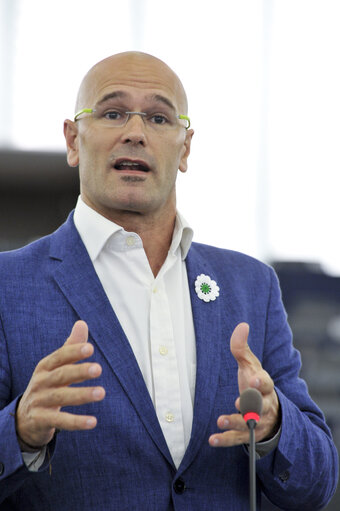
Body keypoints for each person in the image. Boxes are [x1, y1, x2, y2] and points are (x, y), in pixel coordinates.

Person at [0, 51, 337, 510]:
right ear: (73, 139)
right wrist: (18, 430)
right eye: (113, 112)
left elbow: (317, 486)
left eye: (159, 117)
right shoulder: (7, 286)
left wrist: (275, 427)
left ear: (185, 148)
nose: (135, 132)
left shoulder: (251, 287)